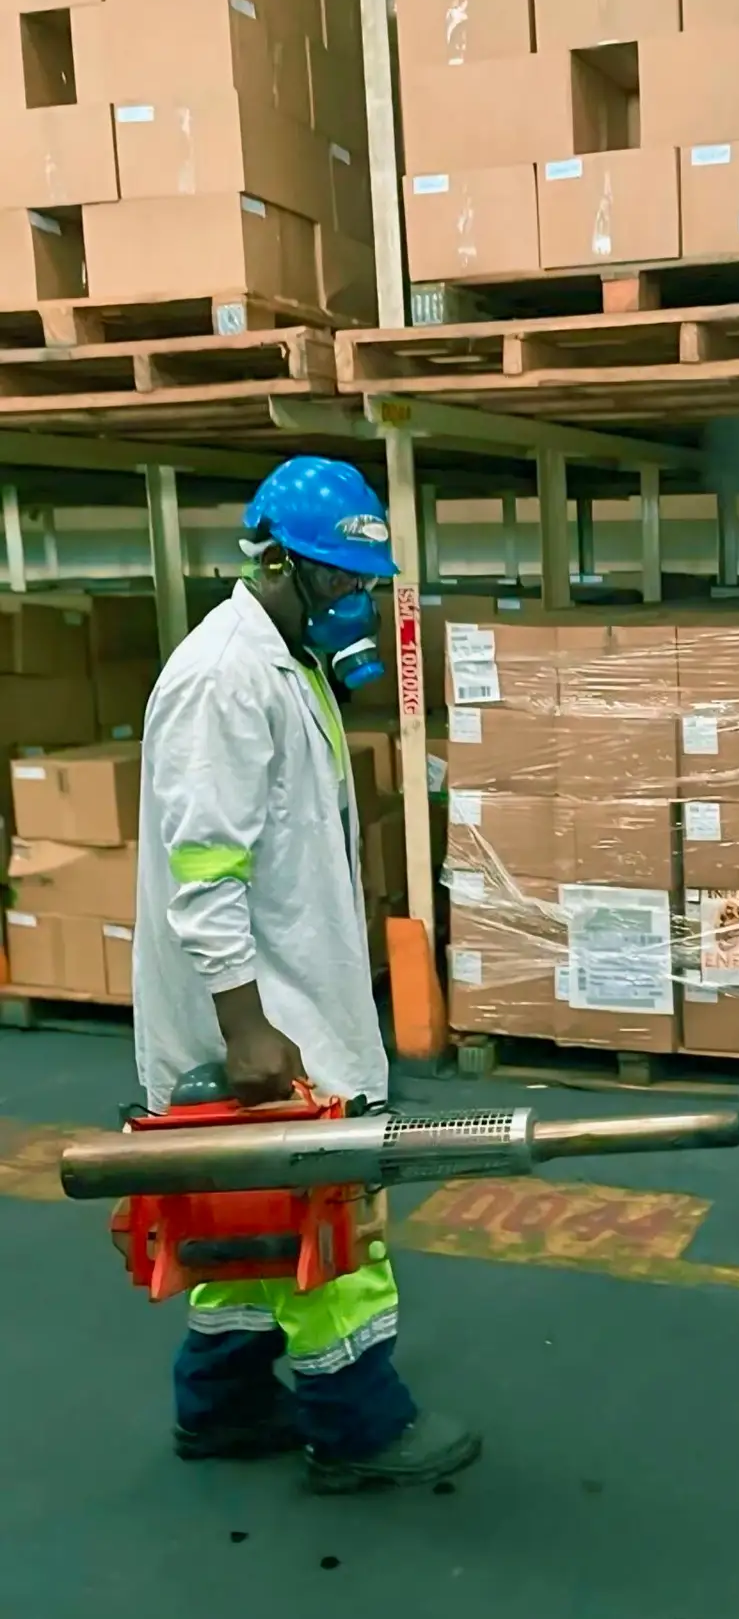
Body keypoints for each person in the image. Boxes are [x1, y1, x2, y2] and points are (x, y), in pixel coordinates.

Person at [133, 456, 482, 1493]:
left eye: (364, 583)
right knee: (330, 1221)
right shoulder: (225, 678)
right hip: (264, 1016)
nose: (354, 602)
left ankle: (225, 1408)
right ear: (274, 561)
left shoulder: (289, 663)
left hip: (290, 989)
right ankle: (357, 1428)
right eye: (338, 581)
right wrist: (245, 1028)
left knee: (239, 1226)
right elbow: (205, 872)